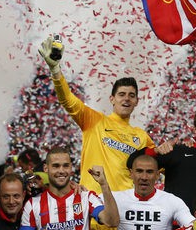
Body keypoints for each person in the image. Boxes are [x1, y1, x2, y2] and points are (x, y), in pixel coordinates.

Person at [38, 36, 153, 192]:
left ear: (136, 101)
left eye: (131, 95)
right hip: (93, 202)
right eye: (122, 94)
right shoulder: (94, 121)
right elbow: (68, 100)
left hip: (124, 206)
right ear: (112, 99)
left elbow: (162, 165)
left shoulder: (142, 137)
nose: (126, 99)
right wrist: (55, 70)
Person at [15, 148, 120, 230]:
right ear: (46, 168)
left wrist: (104, 184)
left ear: (71, 168)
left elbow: (112, 221)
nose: (61, 171)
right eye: (56, 166)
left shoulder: (86, 197)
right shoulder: (32, 205)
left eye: (65, 166)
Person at [112, 148, 194, 230]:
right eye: (139, 171)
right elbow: (86, 201)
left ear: (157, 175)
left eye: (149, 172)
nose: (144, 177)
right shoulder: (116, 198)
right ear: (131, 173)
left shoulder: (172, 201)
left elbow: (193, 228)